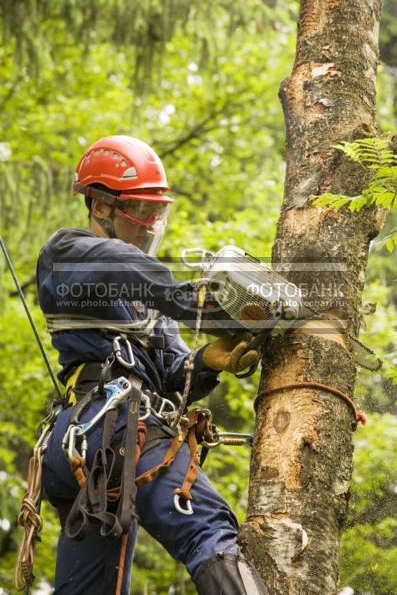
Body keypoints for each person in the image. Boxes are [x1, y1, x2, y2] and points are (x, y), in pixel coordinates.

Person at [36, 135, 268, 594]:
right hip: (109, 424)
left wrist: (205, 362)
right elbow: (123, 265)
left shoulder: (150, 308)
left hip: (103, 448)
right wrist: (200, 297)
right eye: (141, 211)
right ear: (100, 206)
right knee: (207, 528)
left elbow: (171, 375)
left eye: (158, 212)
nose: (151, 223)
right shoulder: (68, 254)